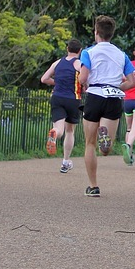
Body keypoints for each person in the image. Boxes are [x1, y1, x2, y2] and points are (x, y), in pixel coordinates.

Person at [77, 15, 135, 198]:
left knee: (90, 143)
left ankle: (93, 186)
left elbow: (83, 78)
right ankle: (105, 137)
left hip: (95, 95)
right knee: (106, 150)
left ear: (96, 32)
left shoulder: (88, 52)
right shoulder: (122, 55)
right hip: (113, 97)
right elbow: (132, 82)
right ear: (112, 34)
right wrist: (117, 86)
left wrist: (82, 78)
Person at [40, 39, 83, 173]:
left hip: (57, 97)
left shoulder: (57, 63)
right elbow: (84, 79)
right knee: (70, 131)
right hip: (73, 98)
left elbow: (44, 79)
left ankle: (54, 133)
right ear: (80, 51)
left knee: (59, 128)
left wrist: (57, 82)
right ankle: (65, 161)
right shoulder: (78, 64)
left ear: (67, 49)